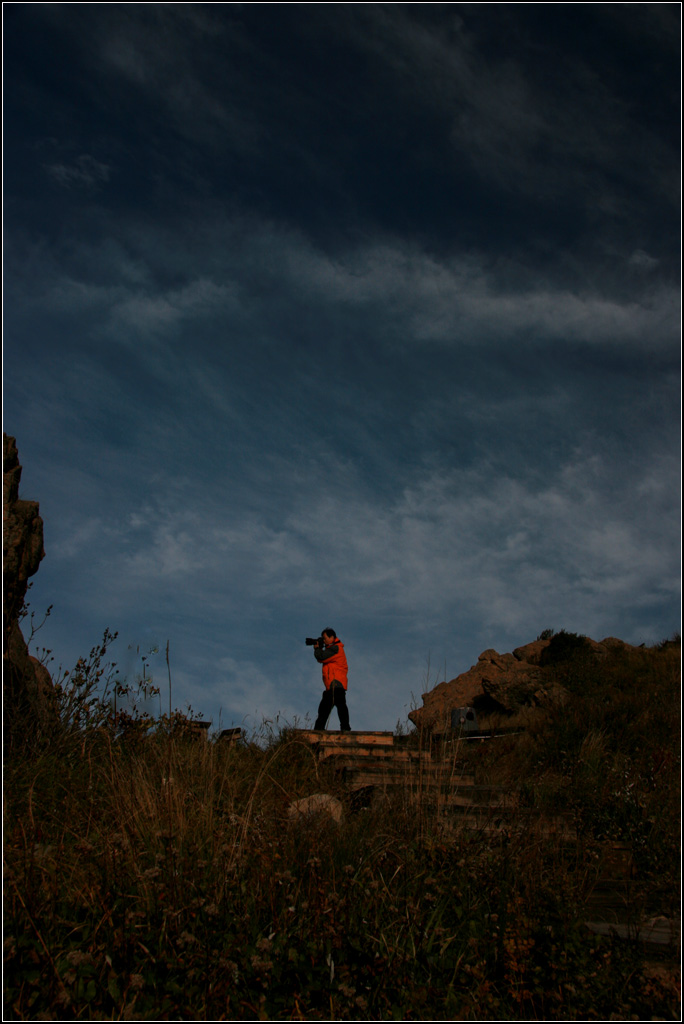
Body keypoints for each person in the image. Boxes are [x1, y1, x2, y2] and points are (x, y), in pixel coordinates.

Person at [312, 628, 351, 731]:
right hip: (334, 685)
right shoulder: (334, 648)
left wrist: (317, 648)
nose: (323, 641)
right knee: (333, 707)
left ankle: (319, 730)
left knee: (331, 707)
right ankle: (345, 729)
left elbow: (321, 657)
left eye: (324, 638)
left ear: (332, 637)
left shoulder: (336, 649)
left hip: (336, 684)